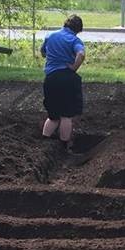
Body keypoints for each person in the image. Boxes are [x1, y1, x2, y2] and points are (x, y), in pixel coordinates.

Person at [40, 14, 85, 150]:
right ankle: (64, 146)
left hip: (51, 78)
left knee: (53, 115)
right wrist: (73, 68)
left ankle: (44, 142)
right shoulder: (74, 40)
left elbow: (43, 52)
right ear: (77, 29)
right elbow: (81, 55)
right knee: (66, 114)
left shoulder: (50, 36)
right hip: (67, 78)